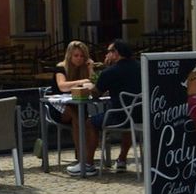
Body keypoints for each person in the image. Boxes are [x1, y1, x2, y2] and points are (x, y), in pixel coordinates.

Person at [79, 40, 141, 176]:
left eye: (109, 51)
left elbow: (96, 93)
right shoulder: (141, 67)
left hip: (119, 117)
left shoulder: (110, 71)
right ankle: (122, 160)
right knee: (129, 119)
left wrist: (90, 87)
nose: (106, 54)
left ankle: (88, 164)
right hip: (140, 116)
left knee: (90, 123)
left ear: (116, 53)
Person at [51, 40, 95, 163]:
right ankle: (82, 157)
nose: (79, 59)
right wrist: (81, 81)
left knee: (87, 121)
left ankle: (86, 155)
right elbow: (62, 86)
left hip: (78, 104)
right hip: (59, 106)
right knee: (76, 116)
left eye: (82, 56)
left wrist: (90, 69)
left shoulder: (83, 68)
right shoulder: (61, 68)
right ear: (69, 55)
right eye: (76, 56)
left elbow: (93, 84)